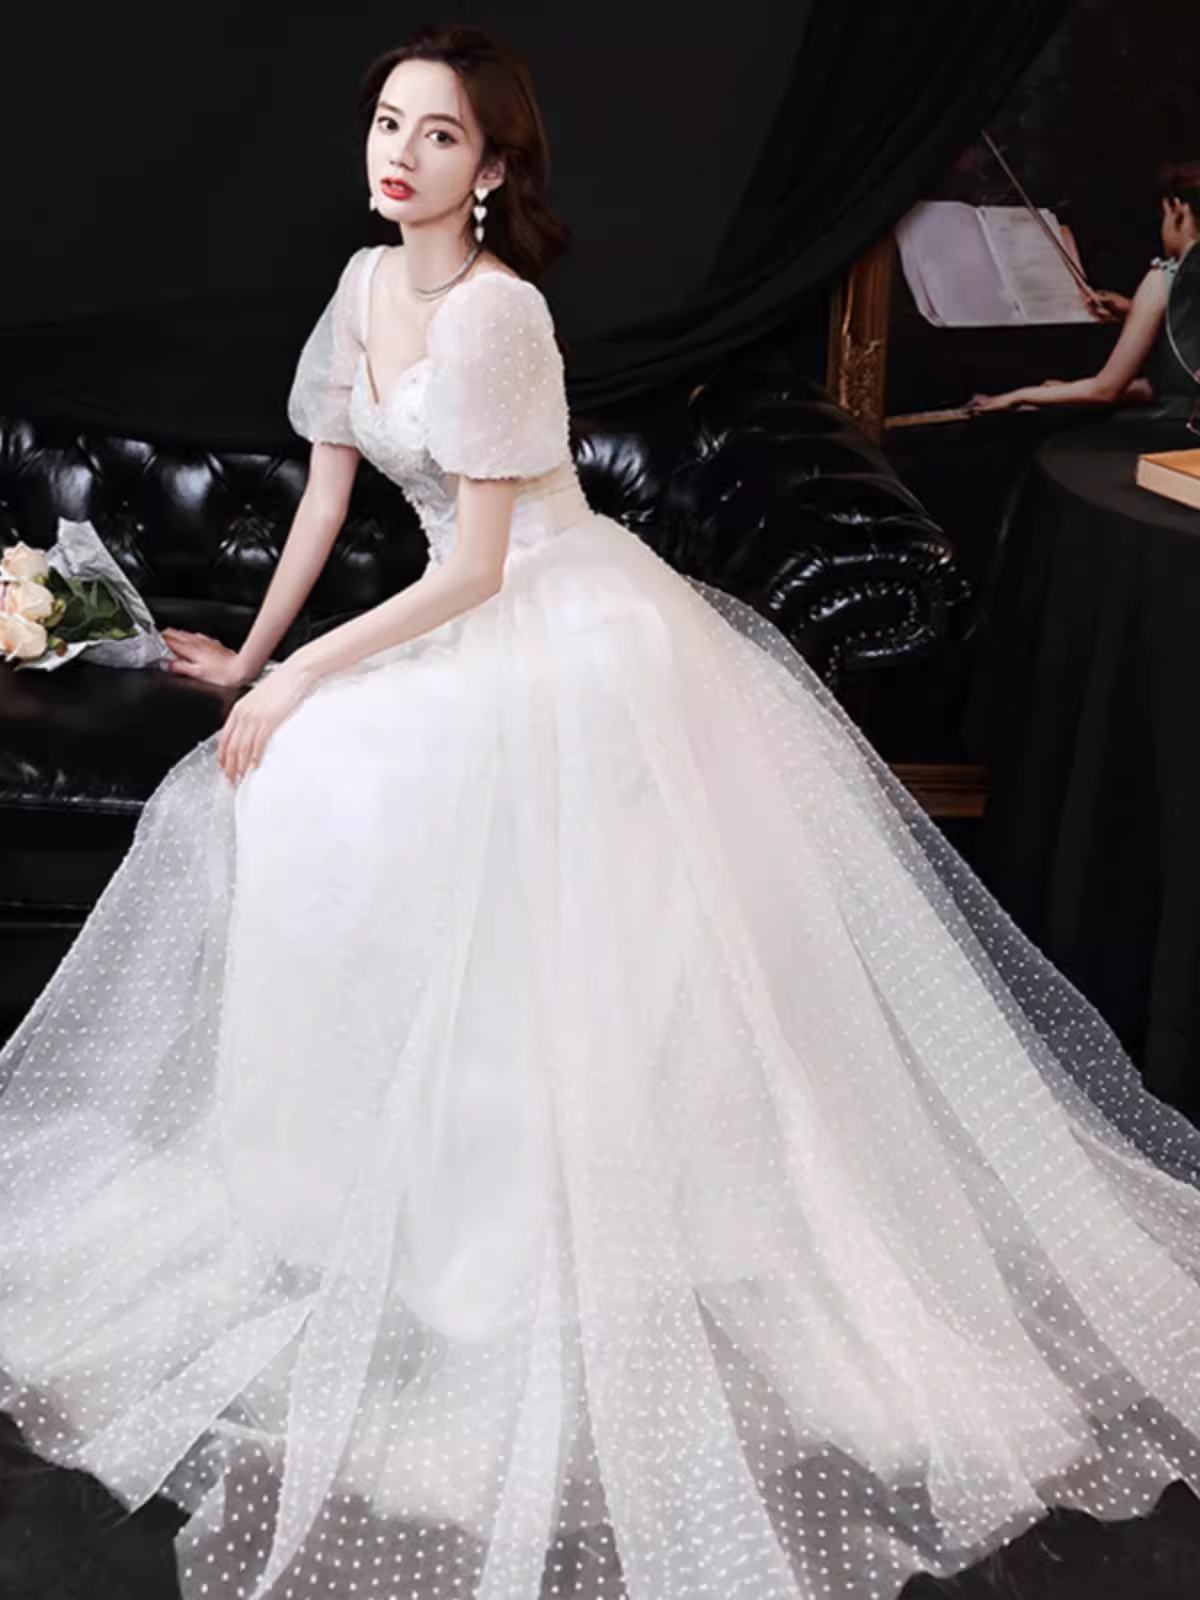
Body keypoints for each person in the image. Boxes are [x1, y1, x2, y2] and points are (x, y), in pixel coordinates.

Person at [2, 23, 1200, 1600]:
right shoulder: (362, 286)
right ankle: (336, 1198)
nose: (402, 156)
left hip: (553, 619)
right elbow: (332, 492)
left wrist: (297, 684)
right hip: (449, 617)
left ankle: (530, 1234)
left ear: (494, 170)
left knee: (392, 808)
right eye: (388, 123)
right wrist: (251, 661)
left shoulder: (501, 317)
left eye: (441, 136)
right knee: (288, 796)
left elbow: (476, 569)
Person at [968, 160, 1200, 422]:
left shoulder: (1164, 279)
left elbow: (1106, 390)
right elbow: (1175, 384)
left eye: (1163, 215)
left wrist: (1017, 395)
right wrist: (1132, 310)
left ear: (1178, 210)